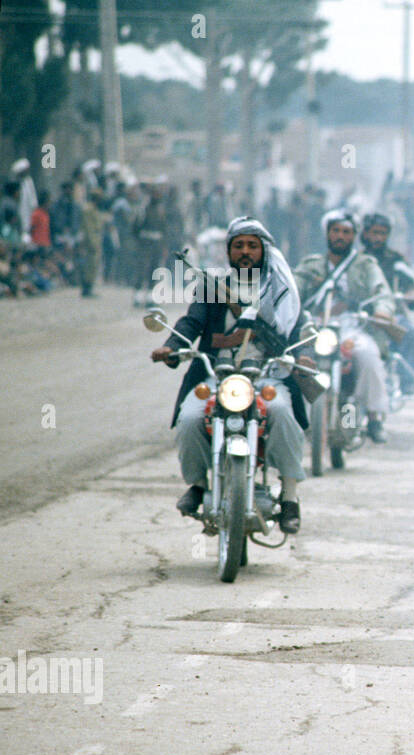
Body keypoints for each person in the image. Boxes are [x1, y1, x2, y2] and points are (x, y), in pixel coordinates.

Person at [150, 217, 312, 533]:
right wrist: (171, 346)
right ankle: (198, 485)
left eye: (252, 245)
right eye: (238, 246)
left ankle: (290, 496)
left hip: (268, 376)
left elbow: (298, 328)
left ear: (264, 250)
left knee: (281, 411)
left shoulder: (281, 289)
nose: (245, 252)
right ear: (228, 251)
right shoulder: (212, 285)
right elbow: (191, 322)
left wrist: (306, 354)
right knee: (190, 417)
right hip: (217, 376)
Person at [293, 209, 398, 443]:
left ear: (354, 236)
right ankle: (291, 419)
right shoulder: (310, 265)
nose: (340, 236)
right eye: (336, 231)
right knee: (289, 361)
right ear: (328, 234)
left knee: (368, 355)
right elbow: (291, 291)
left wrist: (383, 310)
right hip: (314, 326)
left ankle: (374, 417)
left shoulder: (365, 264)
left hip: (353, 326)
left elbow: (382, 291)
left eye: (346, 232)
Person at [362, 211, 414, 397]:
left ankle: (408, 383)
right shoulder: (356, 260)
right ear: (364, 233)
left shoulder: (396, 260)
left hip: (392, 318)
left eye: (382, 233)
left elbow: (413, 286)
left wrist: (410, 295)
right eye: (374, 232)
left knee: (410, 333)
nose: (377, 237)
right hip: (362, 318)